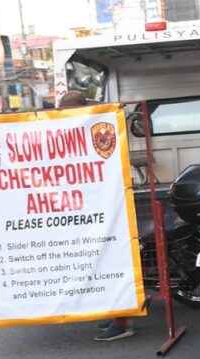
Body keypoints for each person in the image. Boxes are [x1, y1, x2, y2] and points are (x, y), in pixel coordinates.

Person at [55, 91, 138, 341]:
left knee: (111, 261)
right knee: (97, 264)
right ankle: (114, 313)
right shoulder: (75, 133)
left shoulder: (91, 131)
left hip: (104, 209)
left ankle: (121, 321)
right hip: (88, 209)